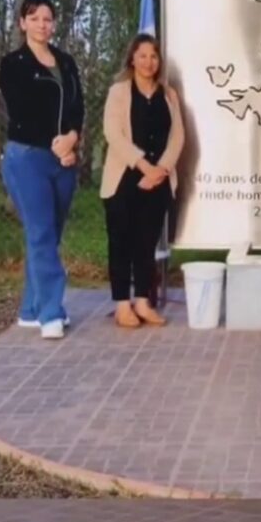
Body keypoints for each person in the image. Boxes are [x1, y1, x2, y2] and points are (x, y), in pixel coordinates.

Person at [0, 0, 84, 340]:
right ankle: (51, 312)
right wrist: (57, 142)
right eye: (34, 18)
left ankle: (30, 309)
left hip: (64, 159)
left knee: (50, 235)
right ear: (22, 23)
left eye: (47, 19)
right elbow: (22, 110)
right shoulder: (13, 63)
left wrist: (72, 139)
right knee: (41, 233)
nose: (42, 25)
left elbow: (77, 104)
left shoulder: (65, 61)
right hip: (28, 157)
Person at [100, 34, 185, 328]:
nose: (148, 62)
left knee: (146, 244)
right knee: (121, 242)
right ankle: (123, 305)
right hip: (125, 179)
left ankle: (143, 302)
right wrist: (143, 166)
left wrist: (160, 169)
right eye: (143, 55)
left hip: (158, 181)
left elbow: (178, 136)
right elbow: (113, 133)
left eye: (153, 56)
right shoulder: (119, 92)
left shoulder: (169, 94)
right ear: (132, 59)